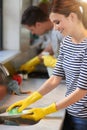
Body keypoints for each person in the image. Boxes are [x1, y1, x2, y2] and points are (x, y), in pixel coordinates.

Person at [7, 0, 87, 129]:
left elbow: (82, 91)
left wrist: (46, 110)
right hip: (70, 111)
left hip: (84, 118)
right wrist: (29, 100)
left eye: (57, 22)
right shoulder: (67, 42)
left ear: (72, 16)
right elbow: (55, 78)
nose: (55, 28)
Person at [19, 5, 63, 76]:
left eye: (32, 29)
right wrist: (34, 61)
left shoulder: (61, 30)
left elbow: (78, 60)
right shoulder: (51, 31)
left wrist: (56, 63)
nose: (32, 33)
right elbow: (50, 48)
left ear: (38, 24)